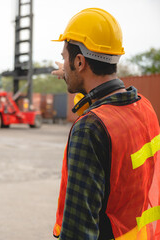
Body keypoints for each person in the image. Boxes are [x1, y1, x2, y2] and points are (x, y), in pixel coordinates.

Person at [51, 8, 160, 239]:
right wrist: (71, 76)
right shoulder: (144, 106)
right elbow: (105, 107)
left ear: (79, 62)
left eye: (65, 58)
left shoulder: (89, 129)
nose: (63, 63)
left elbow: (77, 232)